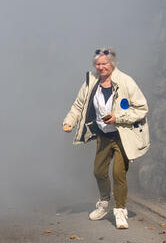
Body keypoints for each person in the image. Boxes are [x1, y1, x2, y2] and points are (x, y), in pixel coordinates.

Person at [62, 48, 150, 229]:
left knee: (118, 173)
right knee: (99, 171)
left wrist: (118, 117)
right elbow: (79, 105)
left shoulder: (126, 81)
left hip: (122, 136)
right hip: (103, 135)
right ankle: (104, 203)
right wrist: (69, 121)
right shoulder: (91, 82)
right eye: (98, 64)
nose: (101, 67)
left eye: (105, 63)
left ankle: (120, 211)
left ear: (113, 64)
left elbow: (141, 108)